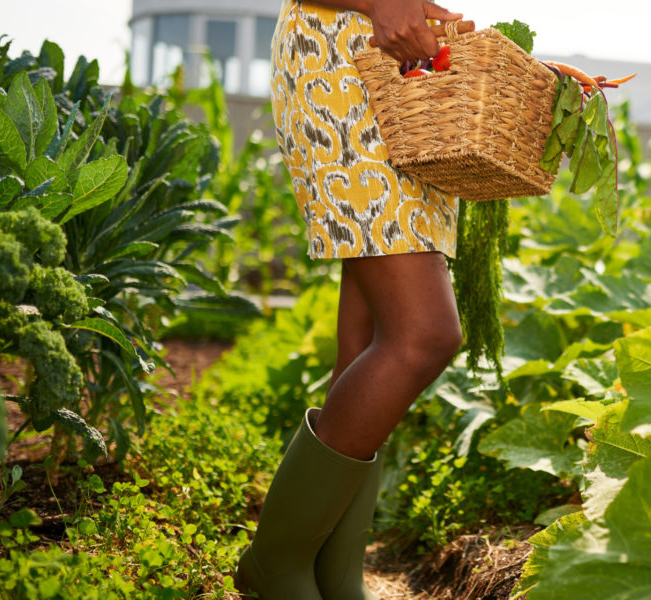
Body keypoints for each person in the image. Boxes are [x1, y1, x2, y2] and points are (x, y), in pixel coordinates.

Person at [235, 1, 465, 598]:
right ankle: (274, 564)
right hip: (346, 65)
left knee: (365, 345)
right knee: (424, 335)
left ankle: (335, 575)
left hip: (397, 80)